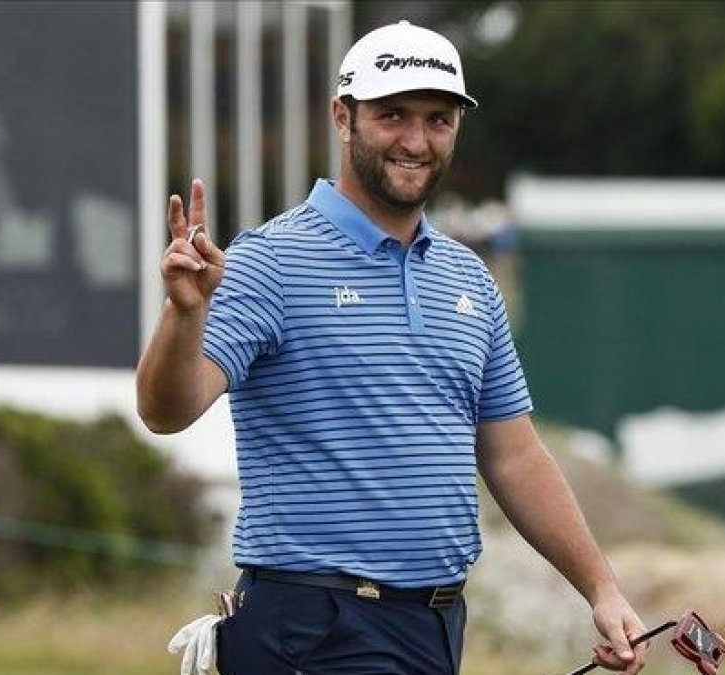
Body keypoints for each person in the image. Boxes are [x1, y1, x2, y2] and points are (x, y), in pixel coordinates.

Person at [138, 20, 650, 675]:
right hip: (312, 626)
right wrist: (184, 316)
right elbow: (166, 409)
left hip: (433, 624)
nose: (415, 140)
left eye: (438, 119)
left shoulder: (468, 278)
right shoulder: (268, 261)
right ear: (342, 117)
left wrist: (600, 588)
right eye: (393, 115)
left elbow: (514, 454)